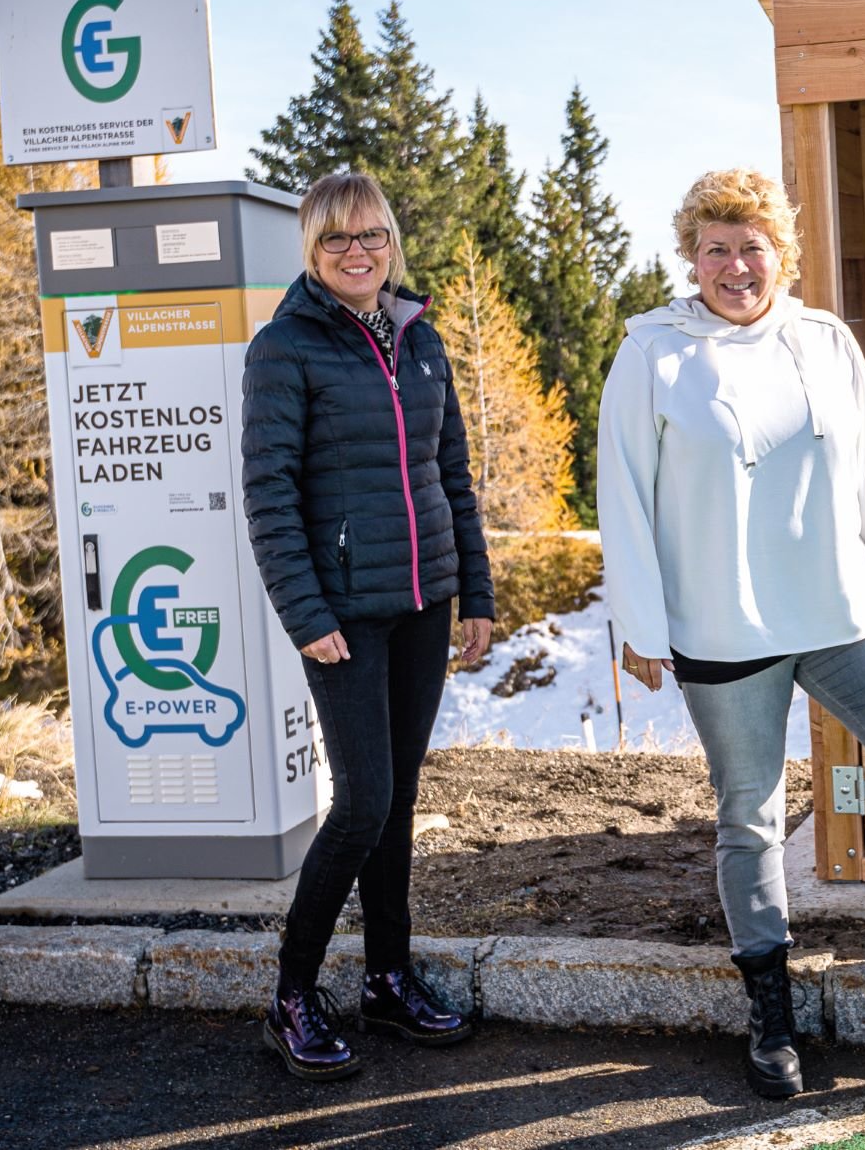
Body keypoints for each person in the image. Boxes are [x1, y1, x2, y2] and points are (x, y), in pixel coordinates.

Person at [598, 167, 865, 1100]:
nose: (736, 266)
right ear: (691, 258)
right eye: (716, 249)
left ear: (783, 253)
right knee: (752, 814)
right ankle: (770, 1009)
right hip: (720, 621)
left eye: (752, 246)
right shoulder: (652, 352)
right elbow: (625, 497)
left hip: (839, 606)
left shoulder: (824, 339)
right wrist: (642, 624)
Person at [242, 170, 496, 1080]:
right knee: (360, 804)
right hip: (344, 615)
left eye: (372, 236)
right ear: (312, 251)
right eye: (337, 240)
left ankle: (388, 979)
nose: (358, 252)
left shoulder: (420, 340)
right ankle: (292, 994)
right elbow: (268, 495)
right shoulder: (286, 348)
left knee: (398, 803)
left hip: (426, 603)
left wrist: (477, 594)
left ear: (393, 241)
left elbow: (453, 478)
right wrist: (306, 614)